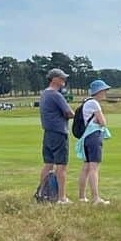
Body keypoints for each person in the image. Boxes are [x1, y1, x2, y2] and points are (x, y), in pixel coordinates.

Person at [38, 68, 73, 203]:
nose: (64, 80)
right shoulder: (56, 95)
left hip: (48, 133)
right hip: (59, 133)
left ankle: (43, 193)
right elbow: (69, 112)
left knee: (48, 164)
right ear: (54, 79)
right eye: (61, 78)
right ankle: (62, 197)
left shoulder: (44, 94)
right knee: (61, 165)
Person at [76, 79, 111, 204]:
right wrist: (100, 120)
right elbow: (103, 122)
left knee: (86, 167)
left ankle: (82, 196)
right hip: (94, 136)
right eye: (104, 91)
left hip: (86, 137)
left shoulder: (86, 102)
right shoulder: (95, 104)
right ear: (99, 91)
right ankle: (96, 197)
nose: (105, 93)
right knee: (94, 168)